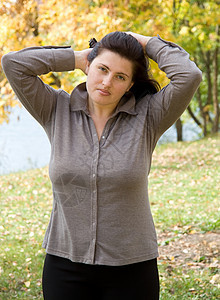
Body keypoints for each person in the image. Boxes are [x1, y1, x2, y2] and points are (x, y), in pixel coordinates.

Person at [2, 31, 202, 300]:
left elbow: (189, 76)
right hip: (65, 266)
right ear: (89, 67)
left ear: (130, 84)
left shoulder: (149, 116)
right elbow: (13, 64)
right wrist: (74, 57)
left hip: (132, 269)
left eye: (120, 76)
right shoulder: (55, 109)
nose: (107, 82)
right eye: (102, 69)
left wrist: (146, 42)